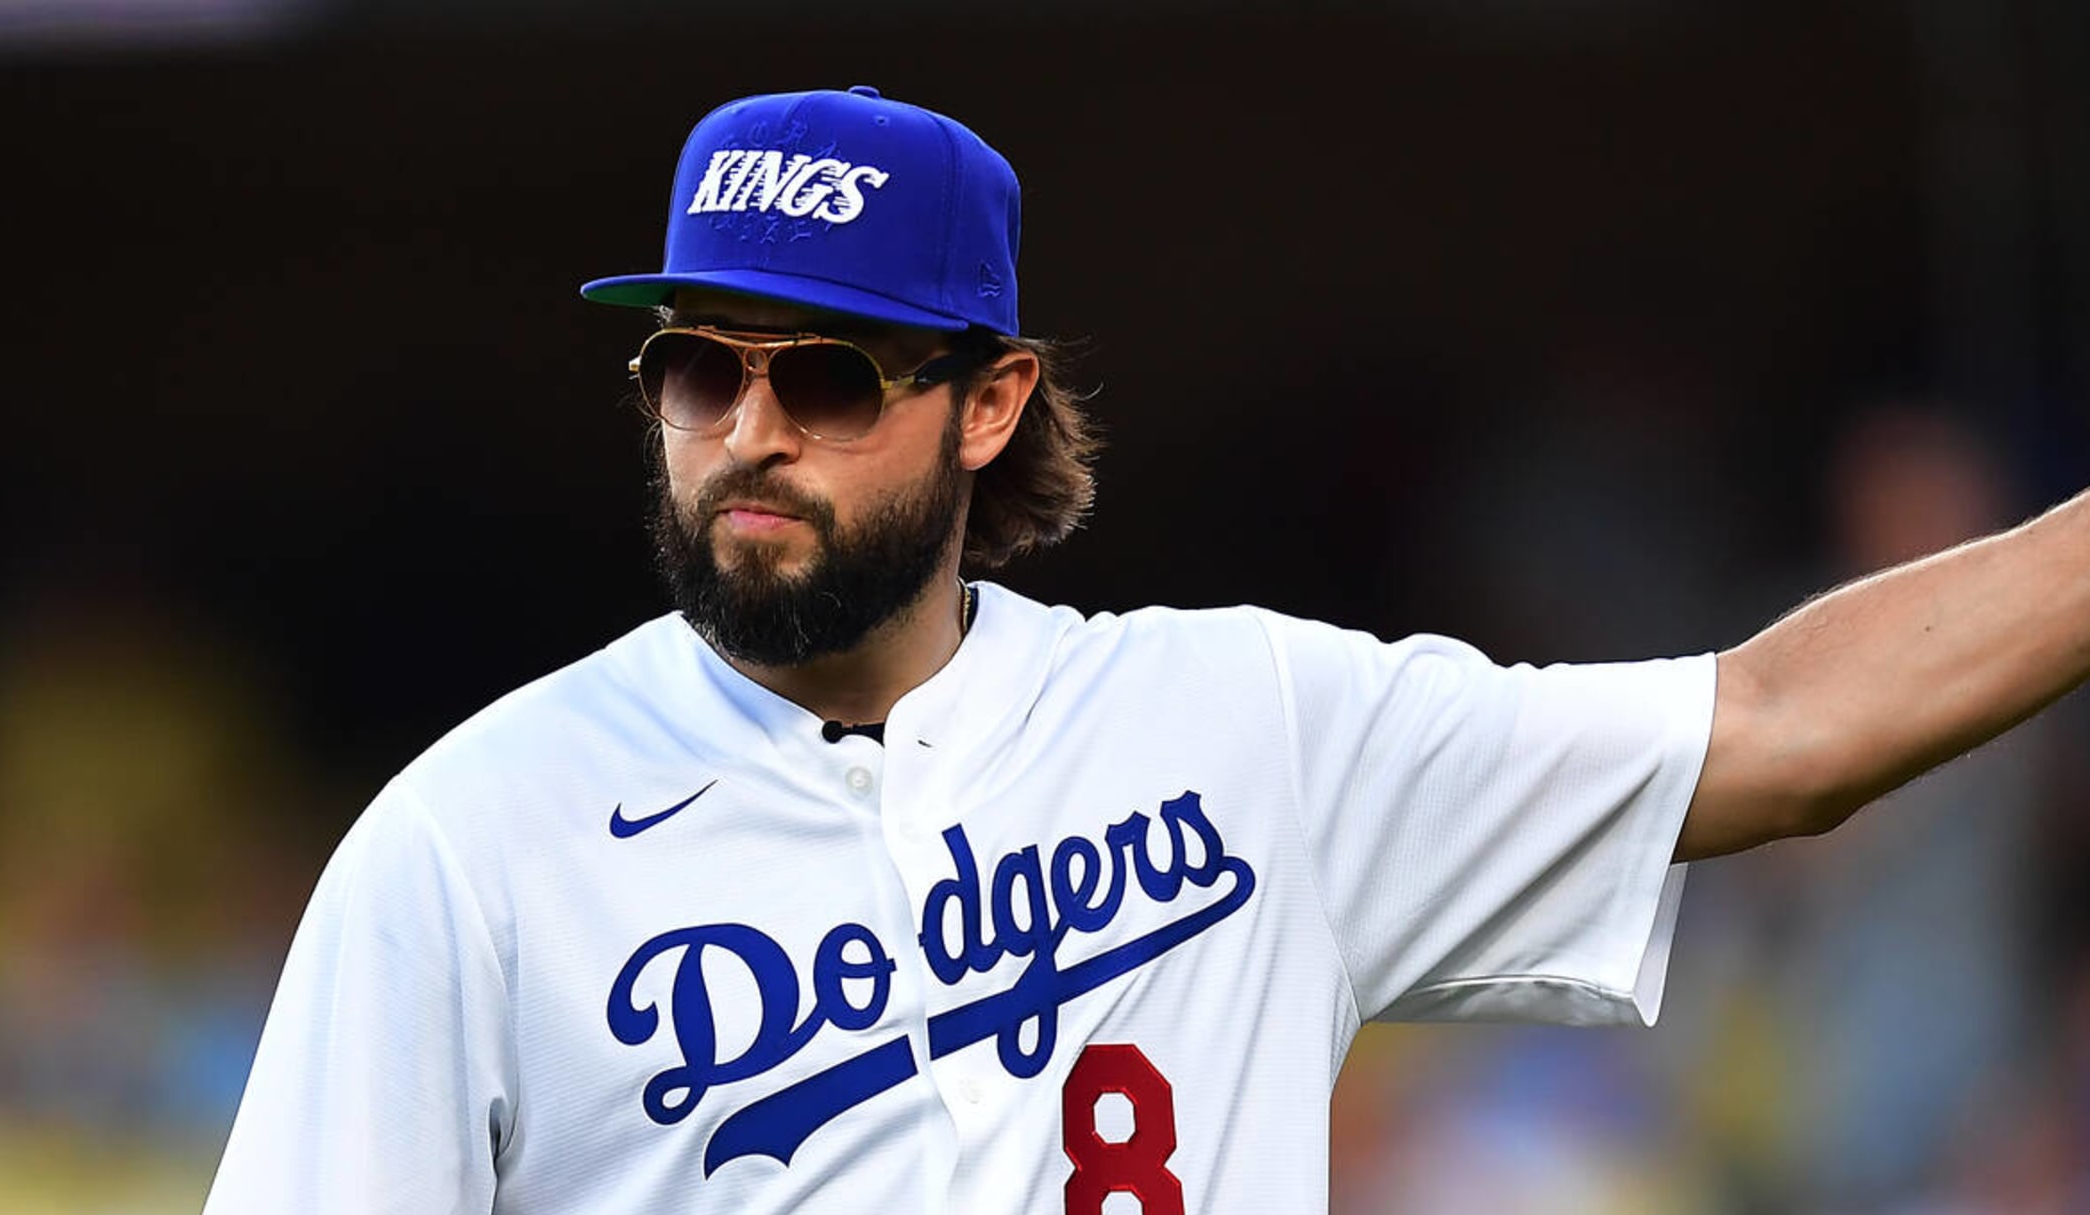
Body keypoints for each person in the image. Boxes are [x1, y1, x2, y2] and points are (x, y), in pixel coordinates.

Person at [202, 86, 2090, 1214]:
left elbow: (1783, 726)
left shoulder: (1243, 724)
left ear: (991, 403)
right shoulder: (471, 842)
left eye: (831, 373)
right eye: (700, 368)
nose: (749, 430)